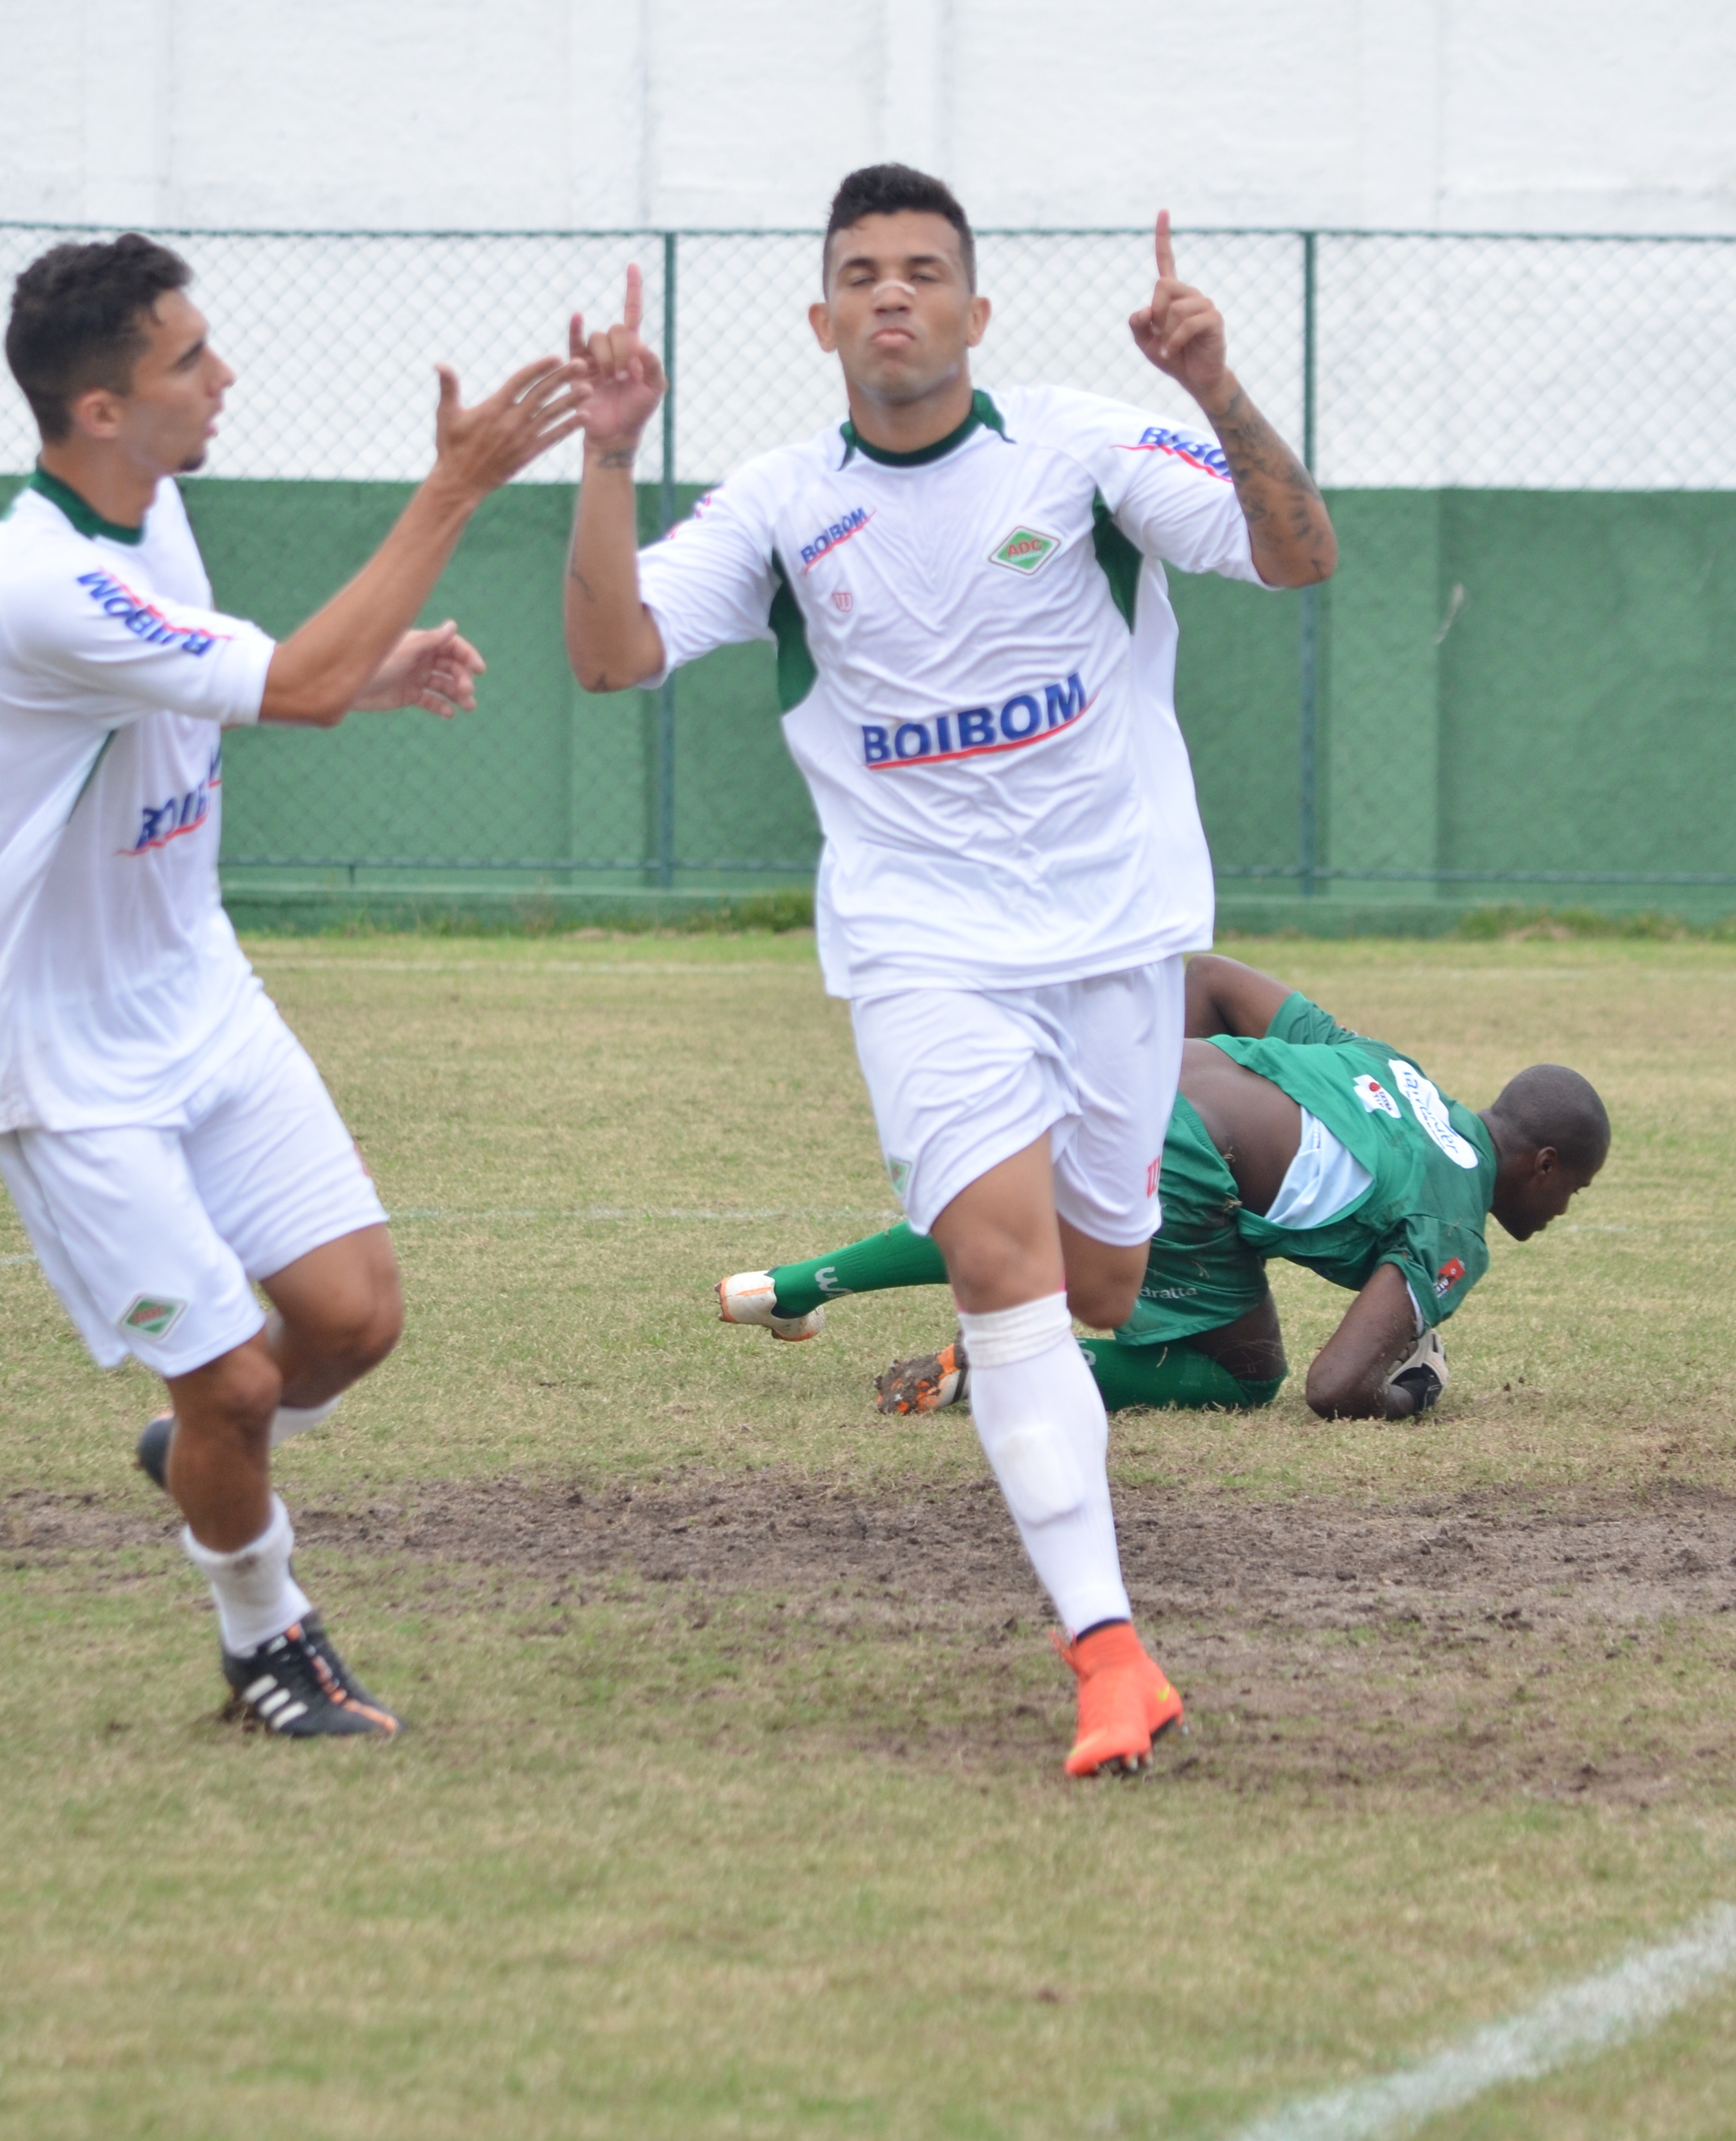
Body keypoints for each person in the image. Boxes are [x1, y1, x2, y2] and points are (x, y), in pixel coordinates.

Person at [558, 167, 1338, 1777]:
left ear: (975, 312)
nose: (892, 295)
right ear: (822, 315)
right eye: (862, 273)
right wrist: (612, 450)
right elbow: (608, 650)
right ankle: (1109, 1654)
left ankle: (1093, 1584)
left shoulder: (1085, 448)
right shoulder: (782, 502)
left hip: (1117, 943)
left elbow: (1297, 552)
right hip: (919, 949)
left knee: (1099, 1284)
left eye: (923, 271)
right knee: (1000, 1272)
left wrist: (1214, 386)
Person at [0, 235, 582, 1737]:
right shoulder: (35, 578)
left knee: (351, 1319)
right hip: (63, 1057)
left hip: (196, 992)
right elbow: (278, 680)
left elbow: (255, 681)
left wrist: (365, 672)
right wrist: (454, 487)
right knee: (231, 1380)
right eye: (186, 357)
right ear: (99, 409)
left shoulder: (155, 515)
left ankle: (202, 1449)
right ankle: (263, 1641)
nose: (220, 375)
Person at [719, 954, 1610, 1419]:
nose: (1563, 1210)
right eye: (1572, 1191)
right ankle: (993, 1376)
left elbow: (1212, 981)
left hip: (1125, 1071)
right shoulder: (1457, 1226)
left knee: (1025, 1225)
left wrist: (1145, 1098)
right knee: (1249, 1372)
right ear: (1544, 1166)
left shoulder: (1394, 1069)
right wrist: (1412, 1392)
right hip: (1190, 1153)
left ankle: (781, 1289)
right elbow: (1336, 1388)